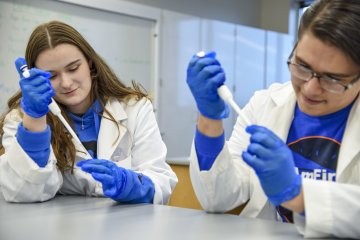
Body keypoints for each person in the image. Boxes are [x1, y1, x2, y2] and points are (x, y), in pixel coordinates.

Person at [186, 0, 360, 238]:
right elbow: (217, 198)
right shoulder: (265, 103)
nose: (309, 89)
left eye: (331, 79)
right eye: (302, 66)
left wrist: (298, 195)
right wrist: (208, 117)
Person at [0, 20, 177, 204]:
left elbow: (162, 183)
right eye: (51, 76)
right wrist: (35, 122)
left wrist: (131, 185)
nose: (66, 83)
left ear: (90, 63)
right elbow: (22, 193)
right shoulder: (22, 120)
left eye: (73, 68)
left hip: (128, 226)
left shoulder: (134, 109)